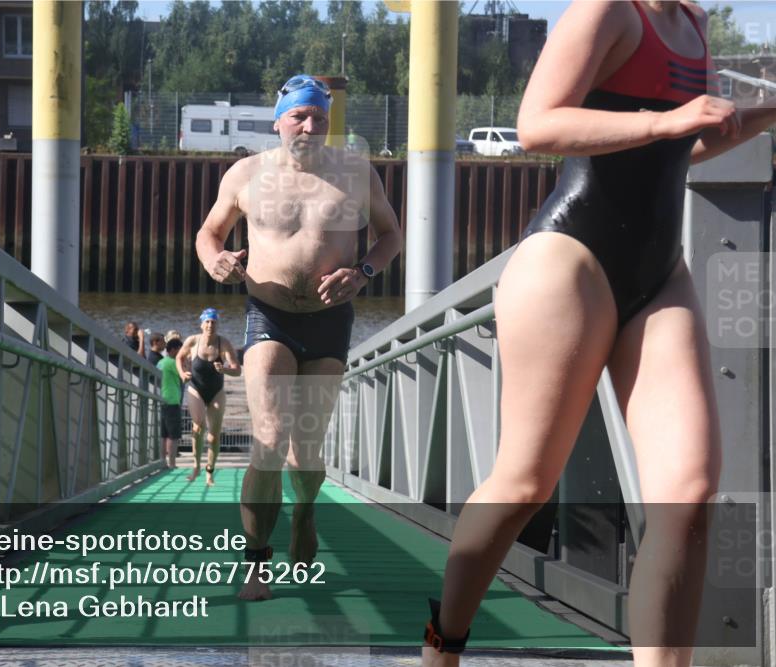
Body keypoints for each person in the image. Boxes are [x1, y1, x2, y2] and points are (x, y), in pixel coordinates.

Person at [421, 3, 775, 666]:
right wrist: (668, 118)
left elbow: (679, 149)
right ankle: (443, 643)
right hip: (570, 260)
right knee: (525, 482)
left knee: (689, 492)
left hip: (659, 270)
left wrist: (757, 116)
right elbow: (538, 123)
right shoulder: (608, 9)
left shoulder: (693, 23)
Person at [195, 74, 403, 600]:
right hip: (269, 317)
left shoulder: (356, 174)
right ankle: (256, 565)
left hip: (332, 321)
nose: (310, 127)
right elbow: (209, 232)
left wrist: (362, 273)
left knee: (305, 453)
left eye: (320, 119)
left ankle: (304, 508)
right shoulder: (247, 173)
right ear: (278, 121)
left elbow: (391, 235)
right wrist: (214, 260)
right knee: (267, 441)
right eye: (300, 117)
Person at [176, 308, 241, 486]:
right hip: (195, 388)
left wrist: (225, 369)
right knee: (198, 427)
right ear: (201, 324)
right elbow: (179, 357)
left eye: (213, 322)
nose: (210, 325)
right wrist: (182, 372)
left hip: (216, 392)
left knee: (213, 437)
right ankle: (196, 465)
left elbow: (237, 370)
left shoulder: (224, 343)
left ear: (217, 324)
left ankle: (209, 471)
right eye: (207, 321)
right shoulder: (192, 341)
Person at [157, 337, 184, 469]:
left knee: (163, 434)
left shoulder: (161, 362)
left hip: (162, 399)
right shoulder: (173, 363)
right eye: (180, 349)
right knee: (173, 435)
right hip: (172, 400)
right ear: (173, 349)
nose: (182, 352)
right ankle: (172, 463)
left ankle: (163, 462)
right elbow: (183, 376)